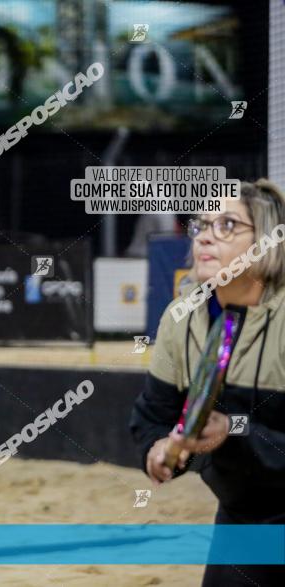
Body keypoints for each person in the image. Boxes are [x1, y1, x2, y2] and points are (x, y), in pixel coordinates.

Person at [130, 179, 285, 586]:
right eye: (201, 225)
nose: (206, 237)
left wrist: (234, 428)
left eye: (228, 225)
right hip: (245, 515)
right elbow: (153, 416)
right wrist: (160, 450)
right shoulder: (181, 318)